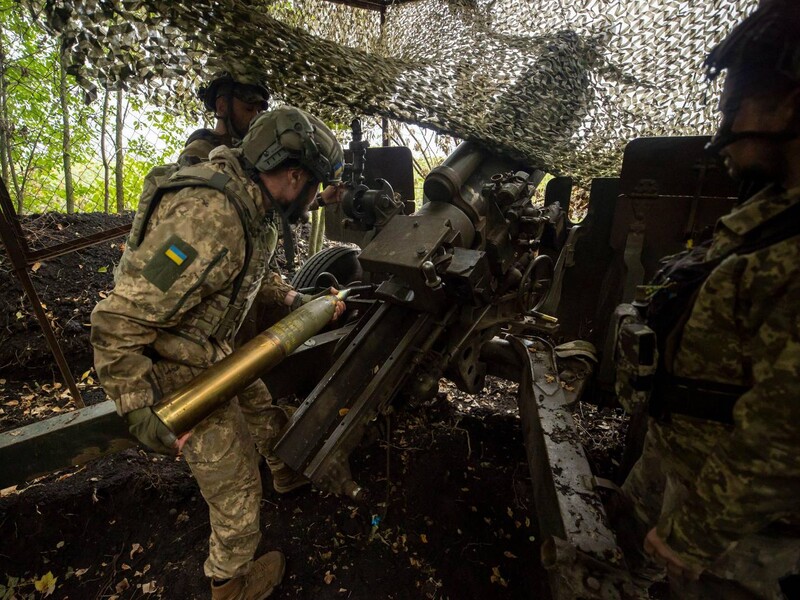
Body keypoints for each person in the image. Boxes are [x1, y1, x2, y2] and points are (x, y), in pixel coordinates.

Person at [90, 106, 346, 600]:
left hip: (210, 350)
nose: (314, 198)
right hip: (173, 370)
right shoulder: (210, 218)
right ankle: (230, 583)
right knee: (237, 490)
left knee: (262, 410)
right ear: (292, 175)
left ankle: (286, 472)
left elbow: (241, 276)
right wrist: (138, 408)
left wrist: (296, 299)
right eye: (313, 186)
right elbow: (118, 319)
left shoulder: (254, 203)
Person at [616, 1, 800, 598]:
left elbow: (783, 435)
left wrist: (693, 537)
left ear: (792, 104)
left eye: (733, 109)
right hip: (682, 463)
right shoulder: (770, 215)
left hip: (739, 535)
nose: (719, 137)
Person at [179, 71, 270, 167]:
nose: (255, 116)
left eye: (259, 111)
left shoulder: (252, 152)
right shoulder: (200, 148)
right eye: (248, 109)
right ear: (222, 107)